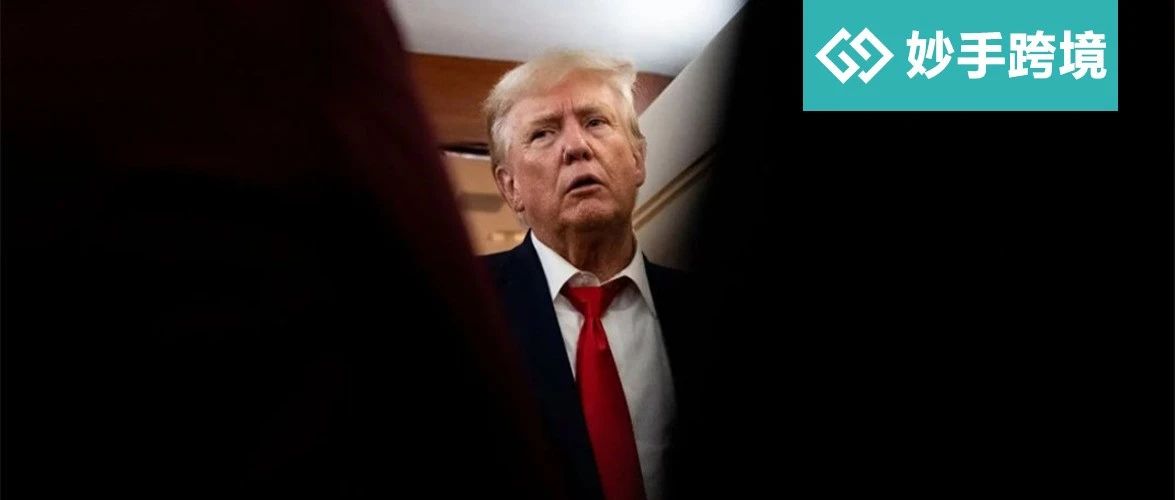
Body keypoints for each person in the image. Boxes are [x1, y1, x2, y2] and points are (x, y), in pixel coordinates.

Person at [481, 50, 707, 500]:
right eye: (543, 133)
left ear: (638, 159)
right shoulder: (463, 308)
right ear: (510, 187)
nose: (576, 147)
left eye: (595, 122)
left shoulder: (705, 306)